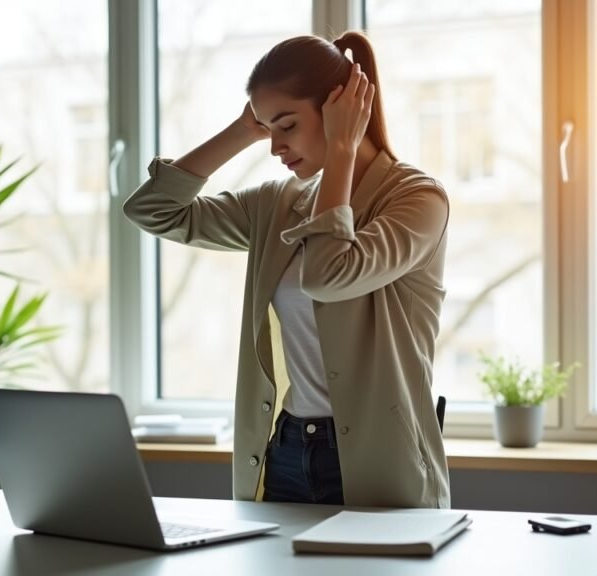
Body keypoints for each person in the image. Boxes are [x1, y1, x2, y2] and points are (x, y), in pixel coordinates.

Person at [123, 31, 450, 508]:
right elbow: (153, 211)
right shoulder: (278, 204)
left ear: (340, 109)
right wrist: (242, 131)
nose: (275, 145)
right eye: (268, 128)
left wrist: (343, 149)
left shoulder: (417, 199)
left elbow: (328, 276)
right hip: (288, 452)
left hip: (377, 460)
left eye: (287, 125)